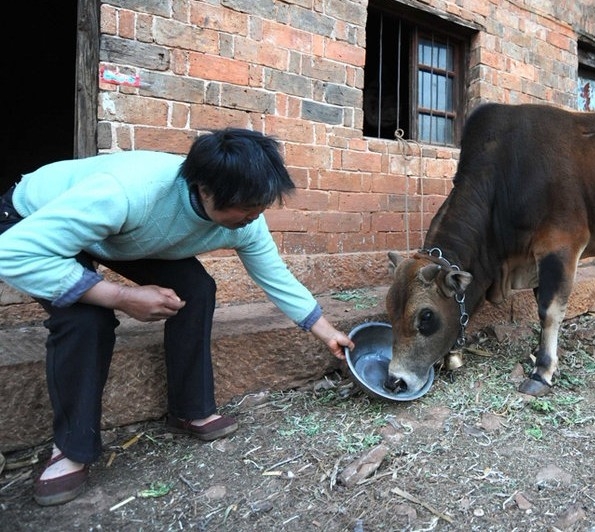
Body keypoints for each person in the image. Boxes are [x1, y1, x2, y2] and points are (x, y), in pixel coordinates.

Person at [0, 128, 355, 506]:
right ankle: (71, 448)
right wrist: (121, 296)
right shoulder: (127, 191)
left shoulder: (247, 219)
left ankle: (190, 411)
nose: (255, 216)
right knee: (86, 320)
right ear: (204, 188)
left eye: (263, 205)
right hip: (34, 225)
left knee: (197, 289)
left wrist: (325, 330)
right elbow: (10, 254)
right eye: (247, 206)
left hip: (121, 235)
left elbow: (275, 276)